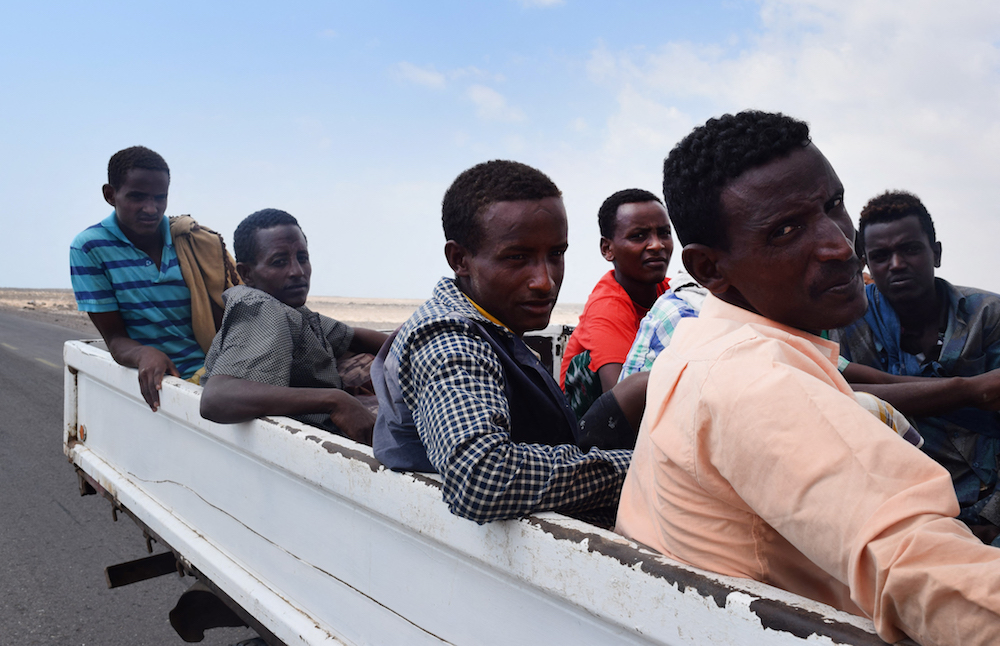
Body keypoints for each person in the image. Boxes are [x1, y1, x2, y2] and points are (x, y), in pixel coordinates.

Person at [615, 110, 1000, 646]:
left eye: (833, 205)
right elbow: (923, 569)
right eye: (787, 230)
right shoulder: (759, 380)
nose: (843, 247)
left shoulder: (703, 342)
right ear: (710, 270)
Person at [371, 160, 643, 525]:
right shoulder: (448, 337)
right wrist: (640, 469)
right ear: (460, 259)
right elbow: (483, 477)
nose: (544, 281)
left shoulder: (493, 325)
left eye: (556, 254)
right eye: (517, 258)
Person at [835, 191, 1000, 543]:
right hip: (916, 514)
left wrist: (993, 516)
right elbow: (836, 397)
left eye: (910, 249)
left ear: (935, 253)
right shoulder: (848, 327)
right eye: (880, 256)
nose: (896, 264)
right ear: (866, 262)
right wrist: (967, 389)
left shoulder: (989, 316)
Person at [70, 146, 237, 412]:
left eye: (160, 197)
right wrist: (143, 353)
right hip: (163, 385)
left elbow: (225, 321)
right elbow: (114, 338)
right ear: (110, 195)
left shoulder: (191, 242)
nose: (151, 208)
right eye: (137, 197)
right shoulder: (90, 248)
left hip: (219, 376)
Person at [199, 209, 386, 445]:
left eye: (302, 258)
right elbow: (215, 399)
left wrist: (415, 342)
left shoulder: (290, 309)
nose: (297, 272)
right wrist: (334, 400)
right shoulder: (262, 308)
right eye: (279, 262)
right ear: (246, 273)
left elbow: (351, 337)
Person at [558, 189, 672, 418]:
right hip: (589, 428)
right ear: (607, 249)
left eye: (664, 233)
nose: (657, 245)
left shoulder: (673, 295)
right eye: (639, 236)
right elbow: (622, 401)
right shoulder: (607, 307)